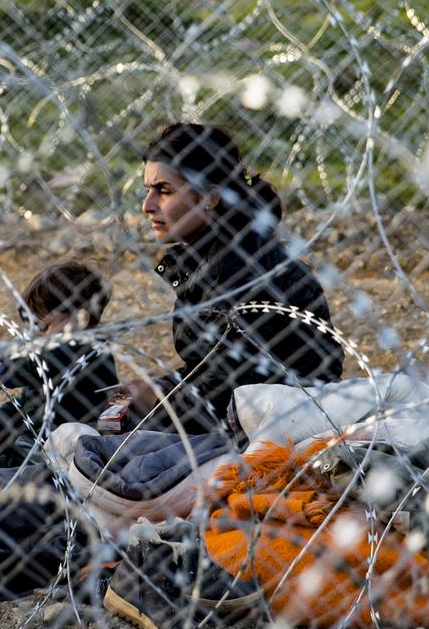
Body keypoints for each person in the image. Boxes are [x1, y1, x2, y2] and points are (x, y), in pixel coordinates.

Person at [115, 122, 345, 435]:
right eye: (147, 191)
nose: (147, 206)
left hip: (278, 428)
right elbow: (214, 367)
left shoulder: (237, 268)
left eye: (164, 191)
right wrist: (161, 387)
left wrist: (158, 402)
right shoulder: (218, 254)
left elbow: (230, 389)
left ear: (210, 197)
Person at [0, 261, 119, 464]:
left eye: (44, 327)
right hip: (38, 417)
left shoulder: (77, 350)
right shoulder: (76, 346)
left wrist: (4, 368)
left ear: (80, 319)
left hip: (58, 440)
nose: (33, 335)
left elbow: (27, 367)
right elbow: (28, 394)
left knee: (10, 458)